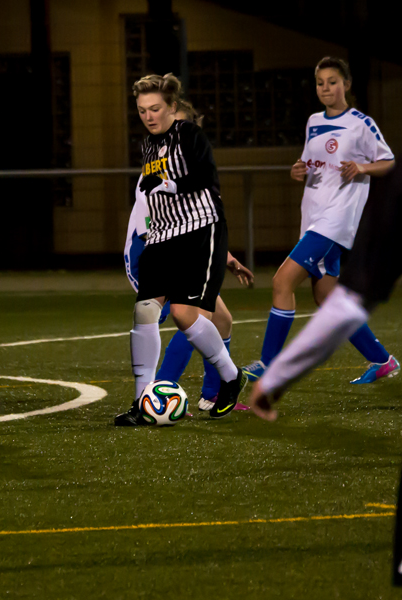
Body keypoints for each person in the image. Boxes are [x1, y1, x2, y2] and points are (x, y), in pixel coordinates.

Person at [247, 164, 402, 586]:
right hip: (320, 223)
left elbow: (347, 307)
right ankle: (380, 358)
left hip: (331, 225)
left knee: (317, 291)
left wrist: (276, 380)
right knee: (325, 291)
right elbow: (346, 303)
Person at [243, 57, 396, 385]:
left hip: (336, 221)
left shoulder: (360, 123)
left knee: (282, 282)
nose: (325, 88)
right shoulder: (313, 121)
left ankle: (269, 364)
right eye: (320, 83)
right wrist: (298, 169)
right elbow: (312, 162)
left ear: (347, 84)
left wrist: (363, 167)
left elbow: (388, 161)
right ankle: (382, 360)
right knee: (328, 299)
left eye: (332, 81)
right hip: (313, 217)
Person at [115, 73, 245, 427]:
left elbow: (206, 177)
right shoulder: (147, 145)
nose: (148, 115)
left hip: (199, 230)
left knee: (185, 315)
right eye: (142, 110)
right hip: (162, 236)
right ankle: (143, 401)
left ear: (171, 107)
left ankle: (232, 378)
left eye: (155, 108)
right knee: (144, 312)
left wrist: (168, 184)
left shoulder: (190, 134)